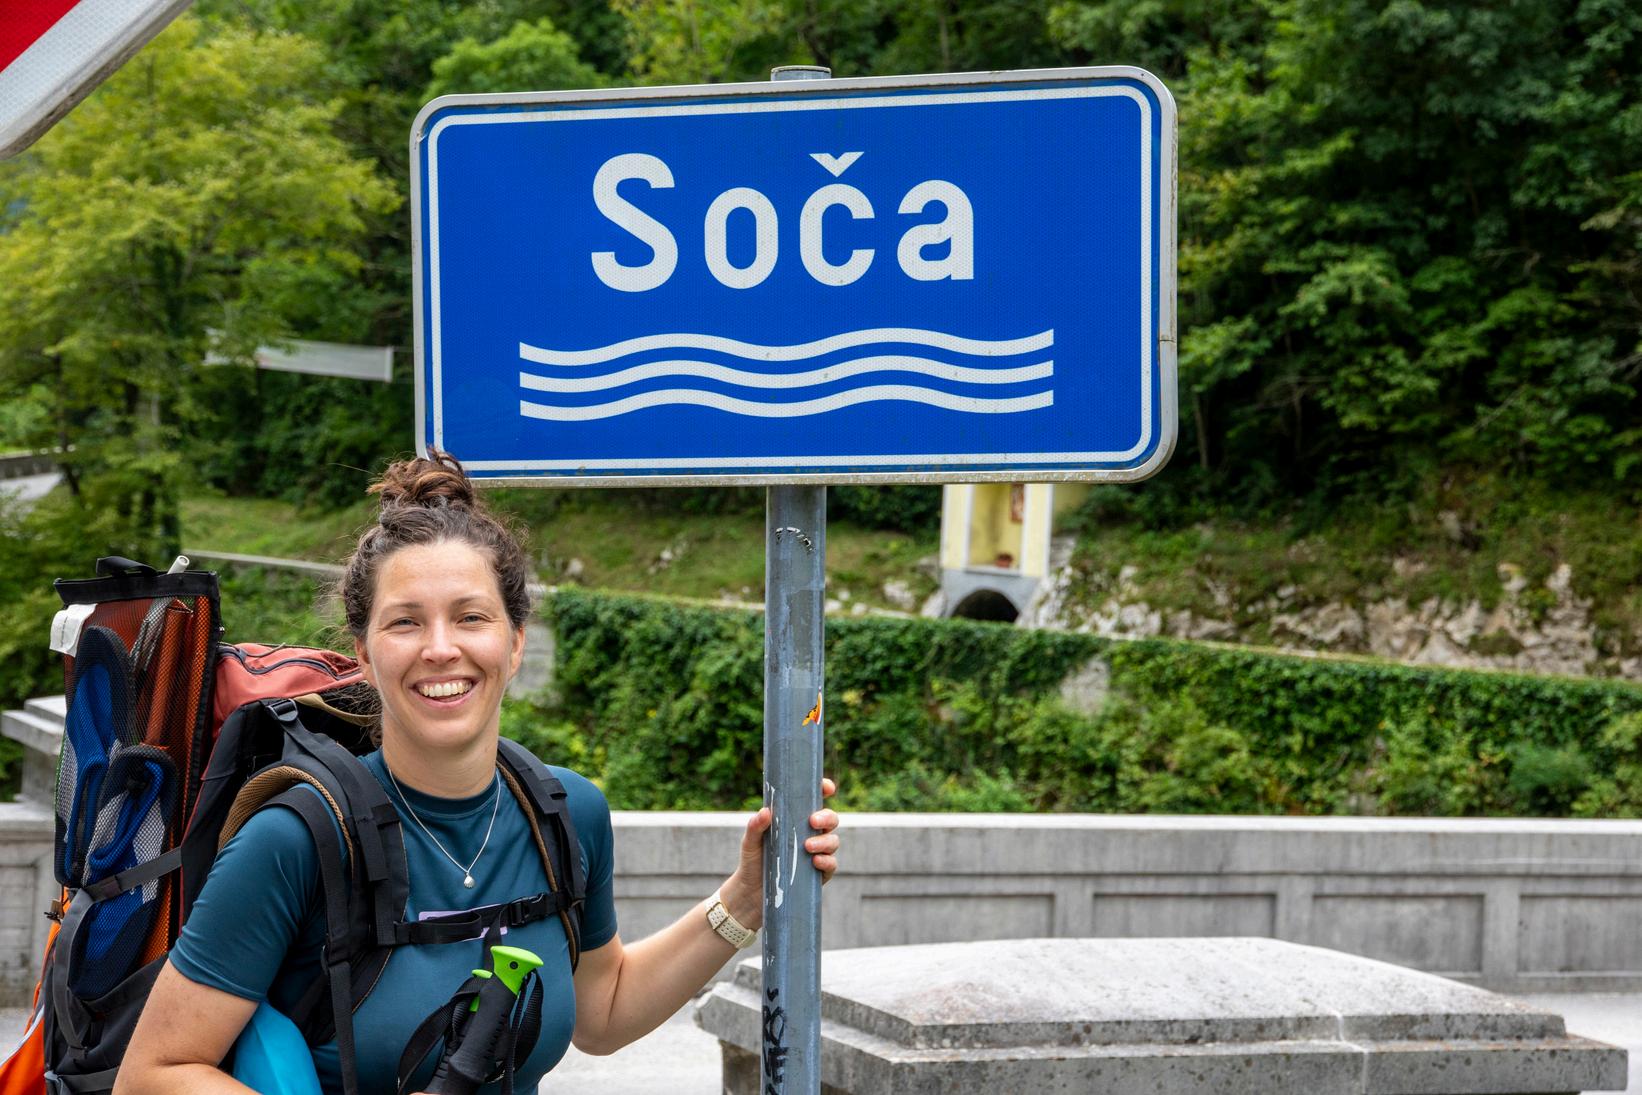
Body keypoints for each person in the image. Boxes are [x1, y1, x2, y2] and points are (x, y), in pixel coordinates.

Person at [114, 452, 841, 1095]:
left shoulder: (566, 814)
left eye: (470, 617)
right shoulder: (295, 842)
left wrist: (746, 898)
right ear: (363, 654)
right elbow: (153, 1074)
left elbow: (604, 1009)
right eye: (405, 621)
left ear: (515, 642)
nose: (440, 648)